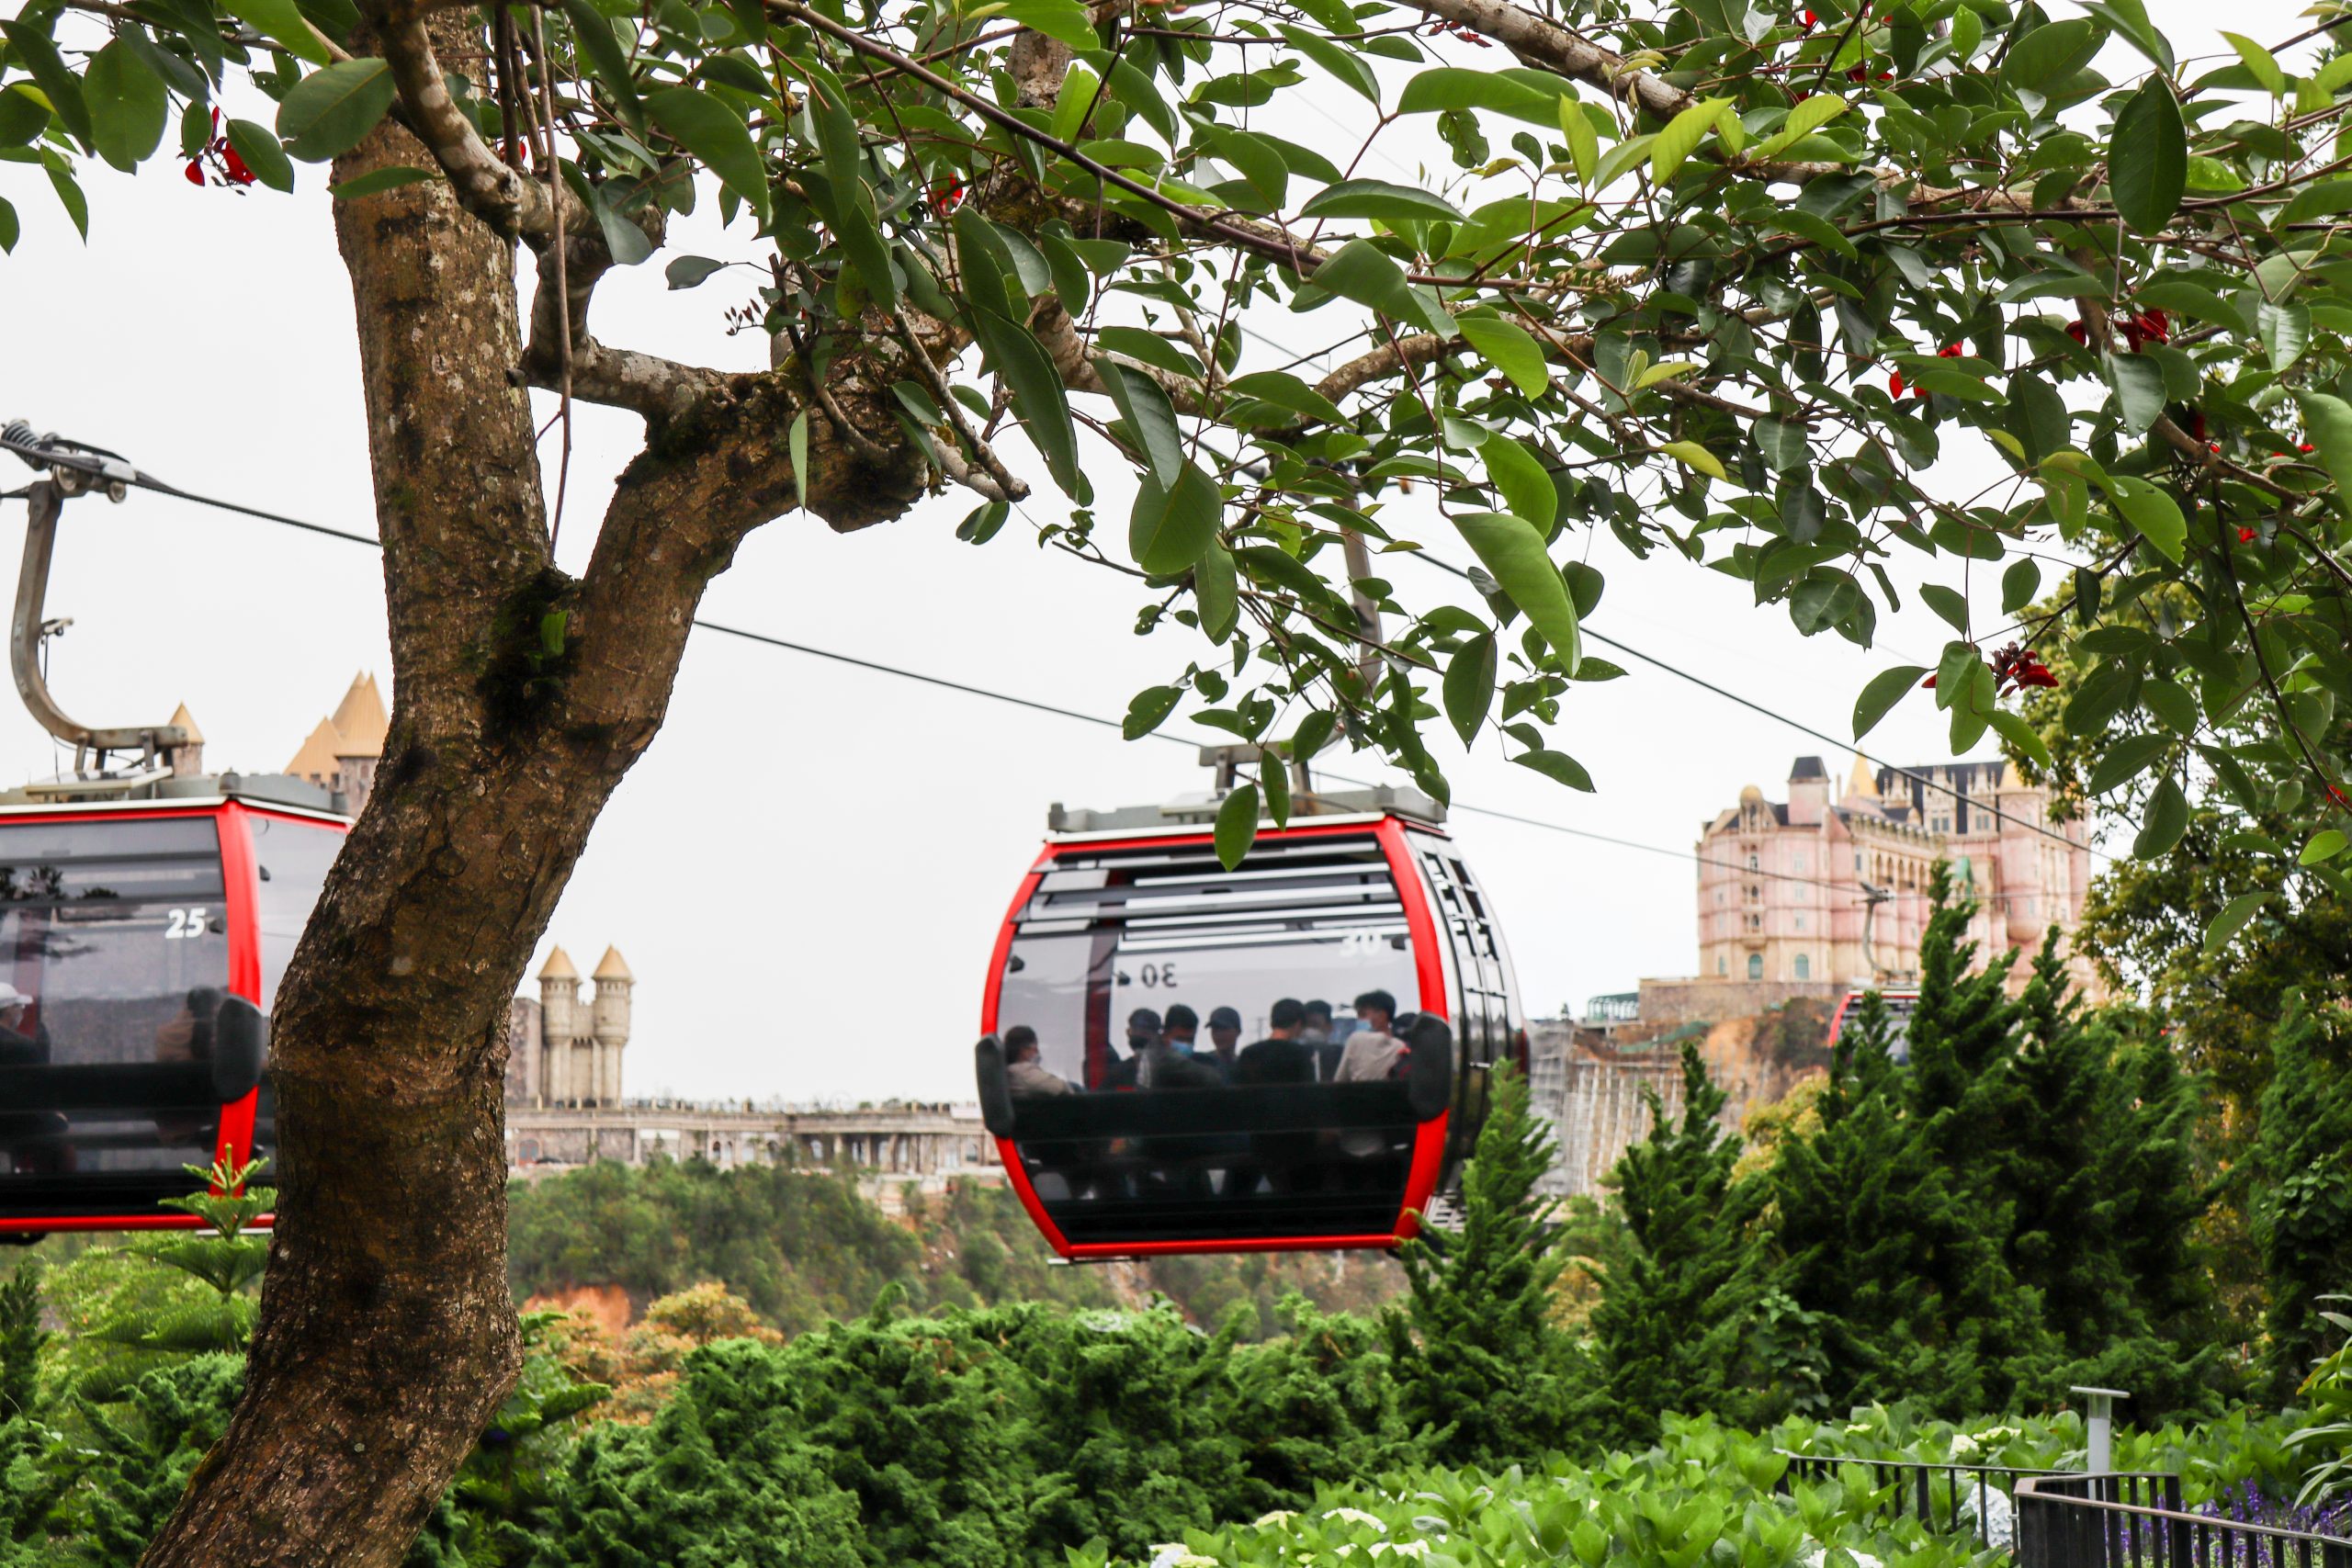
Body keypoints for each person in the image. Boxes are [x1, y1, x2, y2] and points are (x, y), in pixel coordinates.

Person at [1334, 989, 1407, 1082]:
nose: (1359, 1020)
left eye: (1362, 1014)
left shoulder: (1356, 1038)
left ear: (1382, 1016)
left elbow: (1340, 1080)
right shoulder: (1400, 1046)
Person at [1001, 1025, 1071, 1097]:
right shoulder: (1024, 1072)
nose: (1037, 1052)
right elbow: (1060, 1087)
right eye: (1035, 1048)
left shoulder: (1004, 1072)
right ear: (1023, 1050)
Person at [1102, 1008, 1159, 1089]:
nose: (1139, 1034)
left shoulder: (1168, 1071)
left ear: (1157, 1035)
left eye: (1145, 1030)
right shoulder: (1118, 1073)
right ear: (1128, 1032)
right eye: (1135, 1029)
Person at [0, 983, 46, 1066]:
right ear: (9, 1009)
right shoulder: (22, 1046)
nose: (21, 1011)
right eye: (19, 1006)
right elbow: (39, 1076)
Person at [1204, 1006, 1243, 1077]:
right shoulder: (1203, 1064)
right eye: (1215, 1030)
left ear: (1238, 1031)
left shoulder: (1244, 1067)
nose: (1219, 1035)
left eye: (1224, 1029)